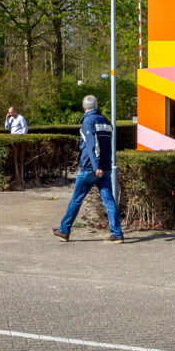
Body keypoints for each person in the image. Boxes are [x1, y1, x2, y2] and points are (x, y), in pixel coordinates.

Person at [52, 95, 123, 243]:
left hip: (90, 168)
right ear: (96, 105)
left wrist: (96, 166)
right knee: (109, 201)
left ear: (83, 107)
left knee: (76, 199)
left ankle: (64, 231)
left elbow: (91, 145)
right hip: (106, 166)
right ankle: (117, 234)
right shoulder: (105, 120)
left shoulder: (88, 121)